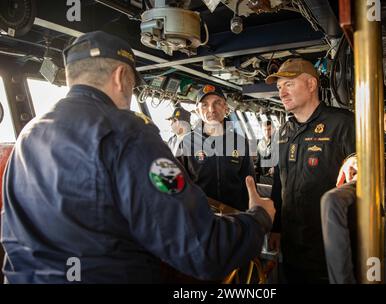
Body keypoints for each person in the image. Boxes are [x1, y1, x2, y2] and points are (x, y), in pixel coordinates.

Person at [0, 31, 275, 283]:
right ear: (121, 76)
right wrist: (259, 218)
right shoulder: (129, 133)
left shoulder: (28, 137)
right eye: (132, 84)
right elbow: (202, 249)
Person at [266, 58, 355, 283]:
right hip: (292, 245)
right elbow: (280, 183)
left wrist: (360, 163)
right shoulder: (284, 131)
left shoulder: (343, 123)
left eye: (289, 84)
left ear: (311, 84)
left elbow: (385, 169)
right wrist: (276, 228)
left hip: (331, 247)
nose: (282, 93)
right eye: (279, 88)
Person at [178, 84, 255, 211]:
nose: (211, 109)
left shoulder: (240, 142)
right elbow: (179, 186)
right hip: (199, 215)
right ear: (197, 111)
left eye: (217, 103)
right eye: (204, 105)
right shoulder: (186, 142)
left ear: (225, 108)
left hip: (234, 215)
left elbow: (249, 183)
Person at [320, 155, 386, 284]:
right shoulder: (284, 136)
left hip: (352, 240)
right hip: (304, 246)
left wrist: (359, 163)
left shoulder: (356, 135)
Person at [255, 120, 274, 185]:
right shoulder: (259, 142)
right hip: (262, 175)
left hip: (273, 176)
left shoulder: (278, 142)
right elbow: (258, 159)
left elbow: (281, 159)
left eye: (269, 129)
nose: (267, 132)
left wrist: (275, 168)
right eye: (265, 130)